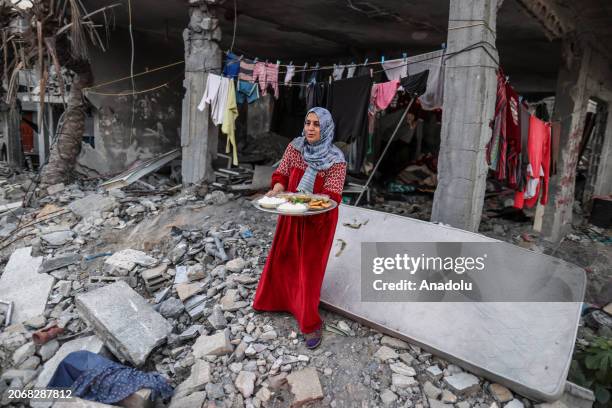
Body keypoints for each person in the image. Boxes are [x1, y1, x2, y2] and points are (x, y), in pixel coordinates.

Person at [253, 107, 347, 349]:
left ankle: (309, 323)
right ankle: (275, 302)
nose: (311, 128)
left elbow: (332, 196)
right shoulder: (295, 148)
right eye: (308, 123)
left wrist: (308, 202)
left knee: (308, 270)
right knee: (283, 259)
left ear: (325, 128)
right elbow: (282, 174)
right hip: (291, 215)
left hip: (318, 222)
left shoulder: (335, 159)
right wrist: (276, 190)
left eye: (316, 124)